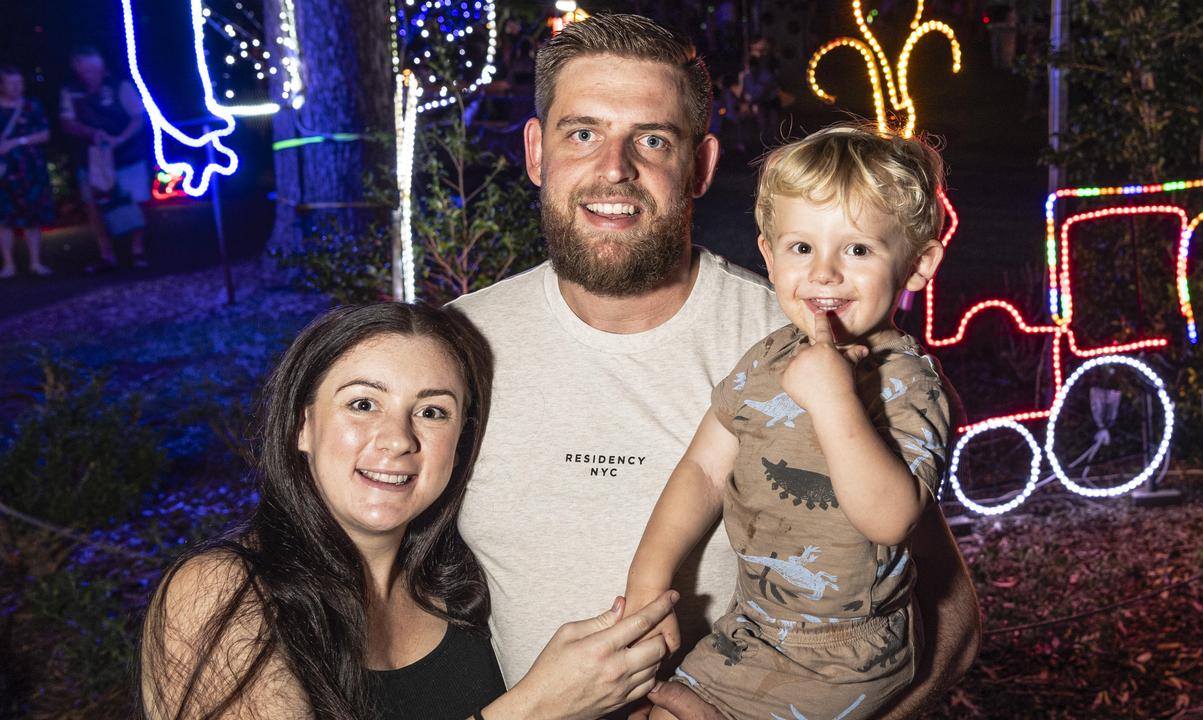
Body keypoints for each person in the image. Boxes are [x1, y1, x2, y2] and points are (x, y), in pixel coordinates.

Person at [449, 14, 980, 720]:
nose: (615, 167)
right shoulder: (451, 350)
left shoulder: (808, 336)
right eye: (583, 133)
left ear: (699, 165)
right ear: (537, 151)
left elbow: (949, 616)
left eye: (652, 139)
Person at [140, 303, 680, 720]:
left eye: (431, 411)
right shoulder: (221, 591)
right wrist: (535, 708)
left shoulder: (463, 591)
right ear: (302, 425)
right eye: (362, 403)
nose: (397, 439)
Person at [626, 124, 952, 719]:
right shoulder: (766, 358)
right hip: (751, 625)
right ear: (769, 257)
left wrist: (833, 400)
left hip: (847, 654)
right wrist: (650, 579)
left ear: (919, 263)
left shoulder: (909, 383)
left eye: (857, 249)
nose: (825, 273)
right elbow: (702, 470)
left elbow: (891, 517)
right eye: (802, 248)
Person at [58, 46, 150, 272]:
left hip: (126, 154)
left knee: (134, 201)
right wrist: (91, 134)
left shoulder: (120, 85)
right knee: (94, 205)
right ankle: (106, 254)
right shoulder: (70, 91)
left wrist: (120, 138)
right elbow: (66, 122)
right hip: (91, 158)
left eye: (94, 70)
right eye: (85, 71)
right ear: (77, 70)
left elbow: (138, 117)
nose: (90, 76)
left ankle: (137, 251)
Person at [0, 65, 53, 279]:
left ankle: (35, 261)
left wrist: (17, 141)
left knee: (34, 216)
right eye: (11, 83)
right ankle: (8, 264)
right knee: (4, 218)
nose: (16, 87)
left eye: (19, 82)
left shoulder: (32, 106)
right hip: (4, 172)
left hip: (31, 169)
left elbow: (45, 133)